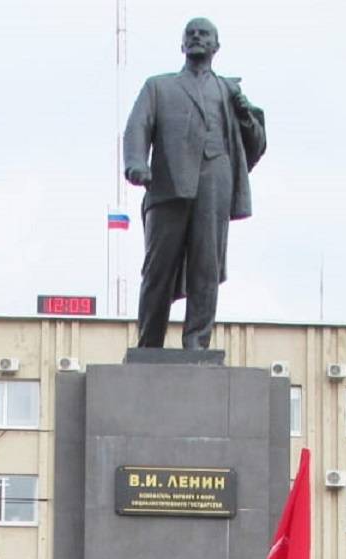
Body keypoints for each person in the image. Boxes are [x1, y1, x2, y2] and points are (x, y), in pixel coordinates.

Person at [122, 17, 267, 350]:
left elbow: (254, 144)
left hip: (215, 181)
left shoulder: (229, 91)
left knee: (207, 267)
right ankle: (149, 345)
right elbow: (137, 126)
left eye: (205, 34)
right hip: (168, 184)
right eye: (191, 34)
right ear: (182, 44)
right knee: (159, 268)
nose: (197, 38)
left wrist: (245, 114)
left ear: (216, 46)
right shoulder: (159, 86)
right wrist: (135, 163)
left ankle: (197, 344)